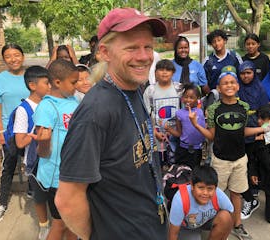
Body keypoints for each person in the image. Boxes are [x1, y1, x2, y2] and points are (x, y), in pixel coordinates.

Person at [55, 8, 168, 240]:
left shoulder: (133, 88)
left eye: (148, 46)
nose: (144, 56)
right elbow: (67, 200)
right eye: (131, 48)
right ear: (105, 52)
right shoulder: (95, 112)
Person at [189, 65, 265, 239]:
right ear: (218, 87)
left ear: (237, 86)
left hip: (239, 158)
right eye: (225, 83)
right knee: (216, 193)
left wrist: (263, 130)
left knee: (236, 193)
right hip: (220, 160)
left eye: (232, 82)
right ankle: (216, 222)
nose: (229, 85)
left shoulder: (244, 106)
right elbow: (211, 136)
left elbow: (244, 131)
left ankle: (237, 224)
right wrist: (196, 125)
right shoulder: (214, 109)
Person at [33, 59, 79, 240]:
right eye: (73, 82)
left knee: (73, 223)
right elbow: (43, 152)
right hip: (57, 177)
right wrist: (43, 142)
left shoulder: (72, 100)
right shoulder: (47, 107)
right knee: (60, 224)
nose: (76, 86)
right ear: (58, 82)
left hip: (75, 172)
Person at [14, 66, 51, 240]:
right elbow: (20, 141)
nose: (50, 86)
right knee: (39, 196)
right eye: (46, 82)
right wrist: (37, 133)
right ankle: (44, 226)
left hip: (52, 157)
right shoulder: (24, 109)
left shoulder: (50, 103)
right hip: (35, 161)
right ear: (32, 85)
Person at [0, 44, 29, 222]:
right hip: (9, 131)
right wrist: (0, 130)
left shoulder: (30, 76)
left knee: (33, 164)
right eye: (8, 56)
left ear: (23, 56)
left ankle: (34, 192)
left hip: (30, 130)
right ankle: (2, 202)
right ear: (4, 60)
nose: (13, 59)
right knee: (8, 166)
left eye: (16, 55)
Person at [237, 61, 269, 220]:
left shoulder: (260, 89)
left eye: (248, 73)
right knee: (240, 166)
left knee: (252, 164)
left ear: (254, 74)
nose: (245, 76)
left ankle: (251, 196)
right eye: (242, 73)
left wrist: (263, 132)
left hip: (255, 132)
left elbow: (265, 113)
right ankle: (248, 194)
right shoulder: (236, 88)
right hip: (238, 133)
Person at [168, 165, 234, 240]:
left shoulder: (219, 195)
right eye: (201, 187)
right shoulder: (180, 199)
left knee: (225, 217)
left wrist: (223, 236)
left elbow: (230, 219)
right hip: (187, 227)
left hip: (206, 221)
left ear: (215, 189)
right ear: (192, 186)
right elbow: (173, 233)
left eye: (210, 189)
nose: (205, 193)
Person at [143, 59, 179, 167]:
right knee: (157, 165)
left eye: (168, 70)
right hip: (157, 136)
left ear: (173, 72)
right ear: (155, 73)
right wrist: (154, 132)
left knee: (175, 166)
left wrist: (174, 131)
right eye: (161, 70)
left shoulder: (179, 88)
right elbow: (146, 114)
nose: (164, 72)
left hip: (176, 135)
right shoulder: (151, 90)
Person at [165, 83, 206, 169]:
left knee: (195, 171)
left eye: (191, 97)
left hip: (197, 150)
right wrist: (168, 129)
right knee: (181, 171)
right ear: (182, 98)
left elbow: (203, 131)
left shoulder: (200, 112)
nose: (188, 100)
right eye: (185, 97)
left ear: (198, 99)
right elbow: (179, 133)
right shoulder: (179, 113)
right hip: (183, 149)